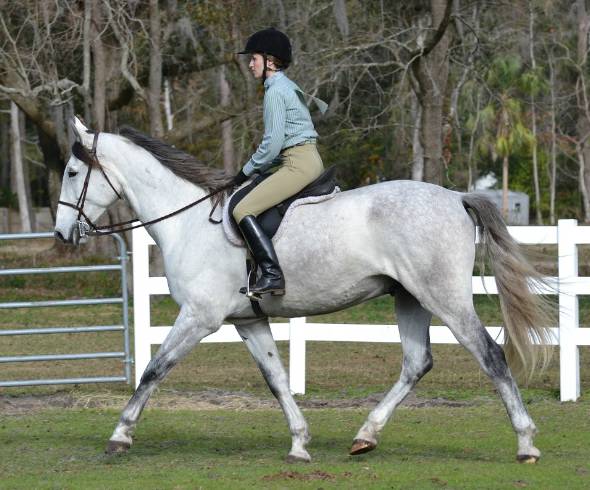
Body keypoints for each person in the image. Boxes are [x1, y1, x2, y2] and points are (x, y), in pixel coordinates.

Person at [233, 27, 327, 297]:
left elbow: (272, 143)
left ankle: (273, 274)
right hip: (302, 159)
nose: (250, 63)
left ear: (270, 61)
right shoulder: (286, 85)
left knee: (242, 209)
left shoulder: (275, 91)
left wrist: (244, 172)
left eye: (254, 58)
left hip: (299, 164)